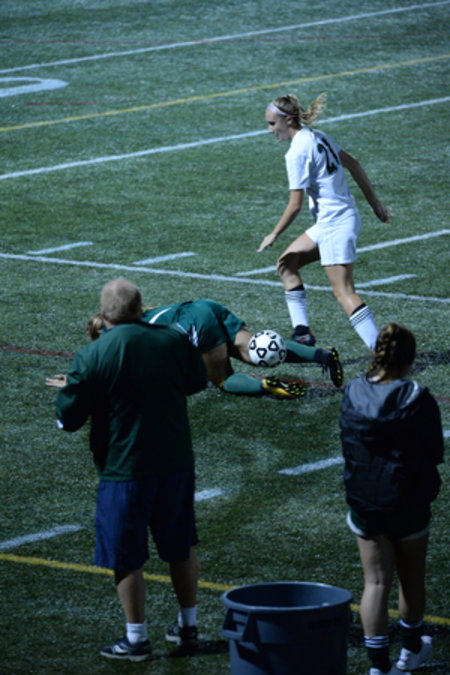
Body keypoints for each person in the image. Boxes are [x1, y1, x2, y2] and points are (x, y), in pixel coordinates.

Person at [53, 278, 208, 662]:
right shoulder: (174, 339)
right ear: (141, 308)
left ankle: (136, 639)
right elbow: (196, 382)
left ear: (104, 313)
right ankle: (189, 625)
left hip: (124, 468)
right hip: (175, 462)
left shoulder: (93, 355)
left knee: (125, 554)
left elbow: (68, 419)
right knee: (180, 546)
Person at [339, 323, 444, 675]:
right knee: (411, 580)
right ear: (409, 359)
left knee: (376, 582)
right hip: (407, 501)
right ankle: (410, 650)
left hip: (365, 500)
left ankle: (379, 667)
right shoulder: (417, 396)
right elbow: (433, 452)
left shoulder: (353, 391)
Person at [257, 92, 392, 350]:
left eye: (272, 124)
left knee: (344, 291)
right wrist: (375, 204)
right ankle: (302, 333)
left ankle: (381, 353)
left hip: (334, 224)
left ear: (287, 120)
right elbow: (354, 164)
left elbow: (295, 205)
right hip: (340, 219)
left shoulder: (297, 152)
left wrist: (273, 234)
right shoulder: (318, 136)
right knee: (287, 264)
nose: (269, 130)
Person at [47, 298, 344, 397]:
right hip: (205, 306)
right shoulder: (144, 313)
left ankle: (266, 385)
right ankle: (322, 355)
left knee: (223, 379)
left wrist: (76, 380)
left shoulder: (126, 337)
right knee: (255, 351)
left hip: (194, 325)